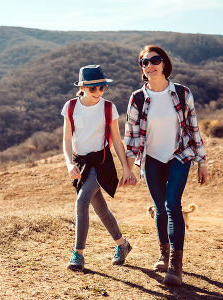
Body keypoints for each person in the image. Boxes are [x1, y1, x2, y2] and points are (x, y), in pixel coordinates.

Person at [124, 45, 208, 286]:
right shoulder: (137, 98)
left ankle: (175, 266)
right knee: (159, 208)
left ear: (164, 64)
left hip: (180, 156)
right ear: (141, 68)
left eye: (154, 60)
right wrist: (128, 169)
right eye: (144, 62)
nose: (149, 65)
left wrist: (202, 162)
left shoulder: (182, 93)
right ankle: (163, 253)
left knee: (172, 204)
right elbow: (131, 138)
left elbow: (193, 128)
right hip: (151, 159)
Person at [61, 65, 137, 272]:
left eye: (102, 88)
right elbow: (67, 139)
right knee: (100, 208)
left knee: (82, 202)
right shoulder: (70, 107)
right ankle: (122, 245)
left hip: (101, 162)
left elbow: (118, 140)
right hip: (80, 163)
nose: (98, 93)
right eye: (93, 88)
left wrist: (126, 169)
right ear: (83, 87)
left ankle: (78, 254)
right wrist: (69, 163)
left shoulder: (108, 107)